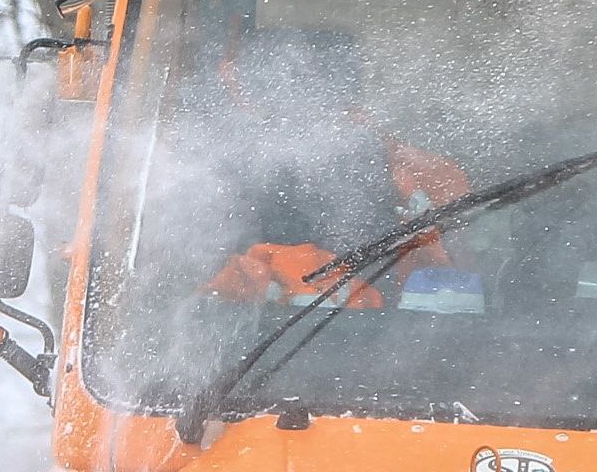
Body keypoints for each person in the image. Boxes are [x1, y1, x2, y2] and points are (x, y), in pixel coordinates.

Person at [199, 25, 473, 307]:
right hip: (276, 342)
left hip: (387, 337)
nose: (225, 75)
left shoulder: (412, 175)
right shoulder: (220, 175)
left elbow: (456, 288)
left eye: (235, 71)